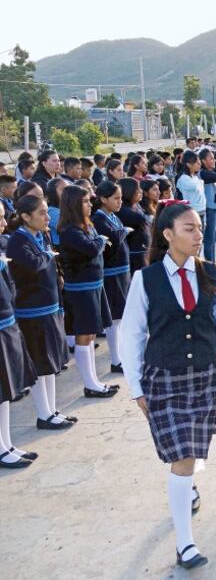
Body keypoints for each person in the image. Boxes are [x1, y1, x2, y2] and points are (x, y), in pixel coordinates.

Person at [119, 200, 216, 570]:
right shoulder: (147, 279)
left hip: (205, 376)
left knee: (192, 450)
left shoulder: (212, 273)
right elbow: (132, 335)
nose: (198, 234)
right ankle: (185, 544)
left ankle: (185, 486)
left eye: (200, 227)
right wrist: (136, 386)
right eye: (189, 229)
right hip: (165, 379)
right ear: (168, 234)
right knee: (183, 458)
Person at [7, 196, 74, 431]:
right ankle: (43, 414)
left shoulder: (41, 234)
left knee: (52, 362)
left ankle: (52, 409)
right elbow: (33, 264)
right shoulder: (18, 241)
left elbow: (50, 264)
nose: (47, 218)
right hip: (32, 311)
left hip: (50, 306)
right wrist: (47, 256)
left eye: (47, 212)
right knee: (40, 362)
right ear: (26, 216)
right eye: (42, 213)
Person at [57, 185, 118, 398]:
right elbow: (92, 248)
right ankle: (90, 384)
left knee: (91, 334)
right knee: (84, 335)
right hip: (81, 290)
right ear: (74, 205)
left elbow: (94, 245)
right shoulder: (69, 231)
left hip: (94, 285)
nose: (90, 205)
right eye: (85, 202)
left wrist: (97, 240)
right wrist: (100, 240)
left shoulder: (86, 225)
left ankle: (94, 381)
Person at [0, 202, 42, 468]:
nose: (4, 224)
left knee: (5, 391)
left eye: (4, 218)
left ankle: (6, 443)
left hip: (6, 321)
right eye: (0, 219)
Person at [93, 181, 132, 374]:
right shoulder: (99, 220)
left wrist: (121, 232)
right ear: (102, 199)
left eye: (120, 198)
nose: (119, 202)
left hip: (122, 270)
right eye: (115, 198)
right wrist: (122, 232)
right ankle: (116, 360)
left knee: (122, 317)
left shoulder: (112, 216)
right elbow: (113, 239)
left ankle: (122, 354)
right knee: (115, 319)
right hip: (111, 273)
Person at [118, 178, 150, 274]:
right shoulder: (123, 210)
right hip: (135, 256)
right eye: (137, 189)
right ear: (129, 191)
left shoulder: (136, 206)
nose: (141, 191)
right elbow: (142, 219)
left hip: (143, 252)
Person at [175, 152, 206, 227]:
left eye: (199, 162)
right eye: (197, 162)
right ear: (188, 164)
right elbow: (196, 186)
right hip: (192, 211)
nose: (200, 164)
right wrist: (200, 182)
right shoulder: (184, 178)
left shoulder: (195, 177)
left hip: (201, 210)